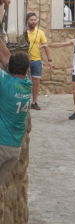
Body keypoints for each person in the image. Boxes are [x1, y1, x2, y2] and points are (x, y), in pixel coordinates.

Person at [0, 39, 32, 192]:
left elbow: (6, 59)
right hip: (14, 150)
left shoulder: (6, 83)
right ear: (26, 71)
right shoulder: (27, 84)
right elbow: (6, 57)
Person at [26, 12, 53, 111]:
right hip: (26, 61)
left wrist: (49, 60)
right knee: (24, 81)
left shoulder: (40, 33)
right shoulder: (24, 32)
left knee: (36, 82)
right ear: (27, 21)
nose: (33, 22)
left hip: (36, 61)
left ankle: (34, 102)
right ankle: (25, 101)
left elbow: (46, 47)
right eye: (31, 20)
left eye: (34, 20)